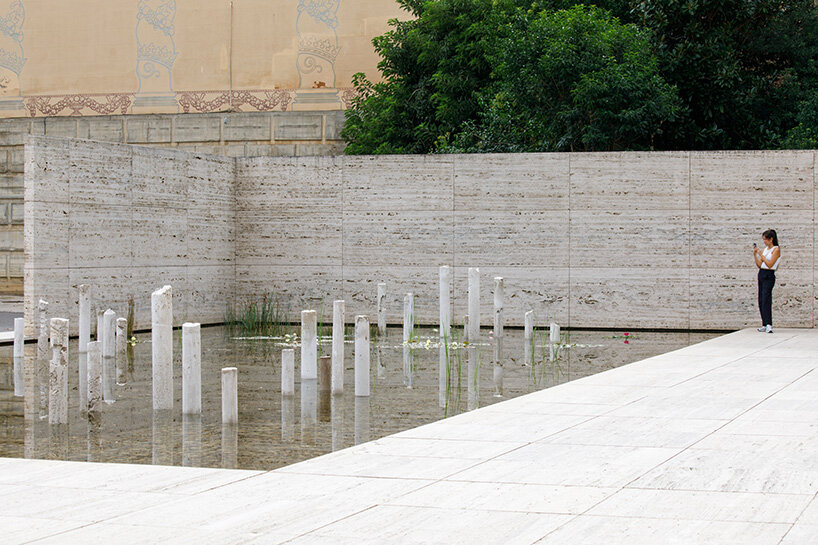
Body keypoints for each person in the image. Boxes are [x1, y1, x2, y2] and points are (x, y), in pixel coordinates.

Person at [753, 229, 780, 333]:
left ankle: (769, 324)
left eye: (765, 239)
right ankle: (764, 323)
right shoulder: (765, 250)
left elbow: (770, 264)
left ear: (771, 239)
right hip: (762, 273)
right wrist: (755, 255)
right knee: (761, 299)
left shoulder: (776, 249)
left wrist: (761, 255)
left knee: (766, 298)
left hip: (769, 275)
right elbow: (760, 265)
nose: (764, 241)